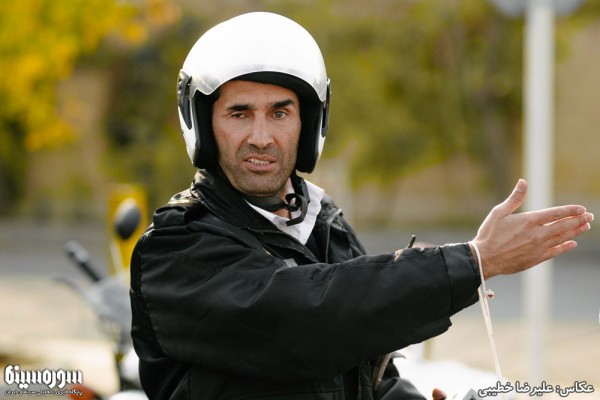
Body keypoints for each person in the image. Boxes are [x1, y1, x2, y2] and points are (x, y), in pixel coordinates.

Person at [129, 11, 593, 400]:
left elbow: (368, 372)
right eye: (239, 113)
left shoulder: (322, 224)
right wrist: (470, 262)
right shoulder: (176, 247)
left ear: (308, 123)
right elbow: (306, 321)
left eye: (280, 112)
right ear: (203, 124)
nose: (261, 137)